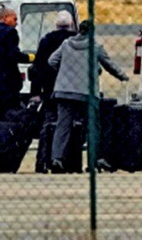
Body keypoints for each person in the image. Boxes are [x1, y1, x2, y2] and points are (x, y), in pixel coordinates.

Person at [47, 19, 129, 173]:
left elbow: (52, 61)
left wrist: (65, 72)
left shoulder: (66, 44)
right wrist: (123, 76)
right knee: (93, 126)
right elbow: (109, 65)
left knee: (63, 126)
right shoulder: (95, 47)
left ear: (79, 30)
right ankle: (93, 161)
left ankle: (56, 159)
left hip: (64, 91)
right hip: (87, 93)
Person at [29, 11, 77, 121]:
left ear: (56, 24)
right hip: (75, 86)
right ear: (72, 23)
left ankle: (50, 135)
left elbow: (38, 67)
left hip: (51, 85)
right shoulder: (78, 41)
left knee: (51, 117)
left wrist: (35, 92)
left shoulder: (46, 41)